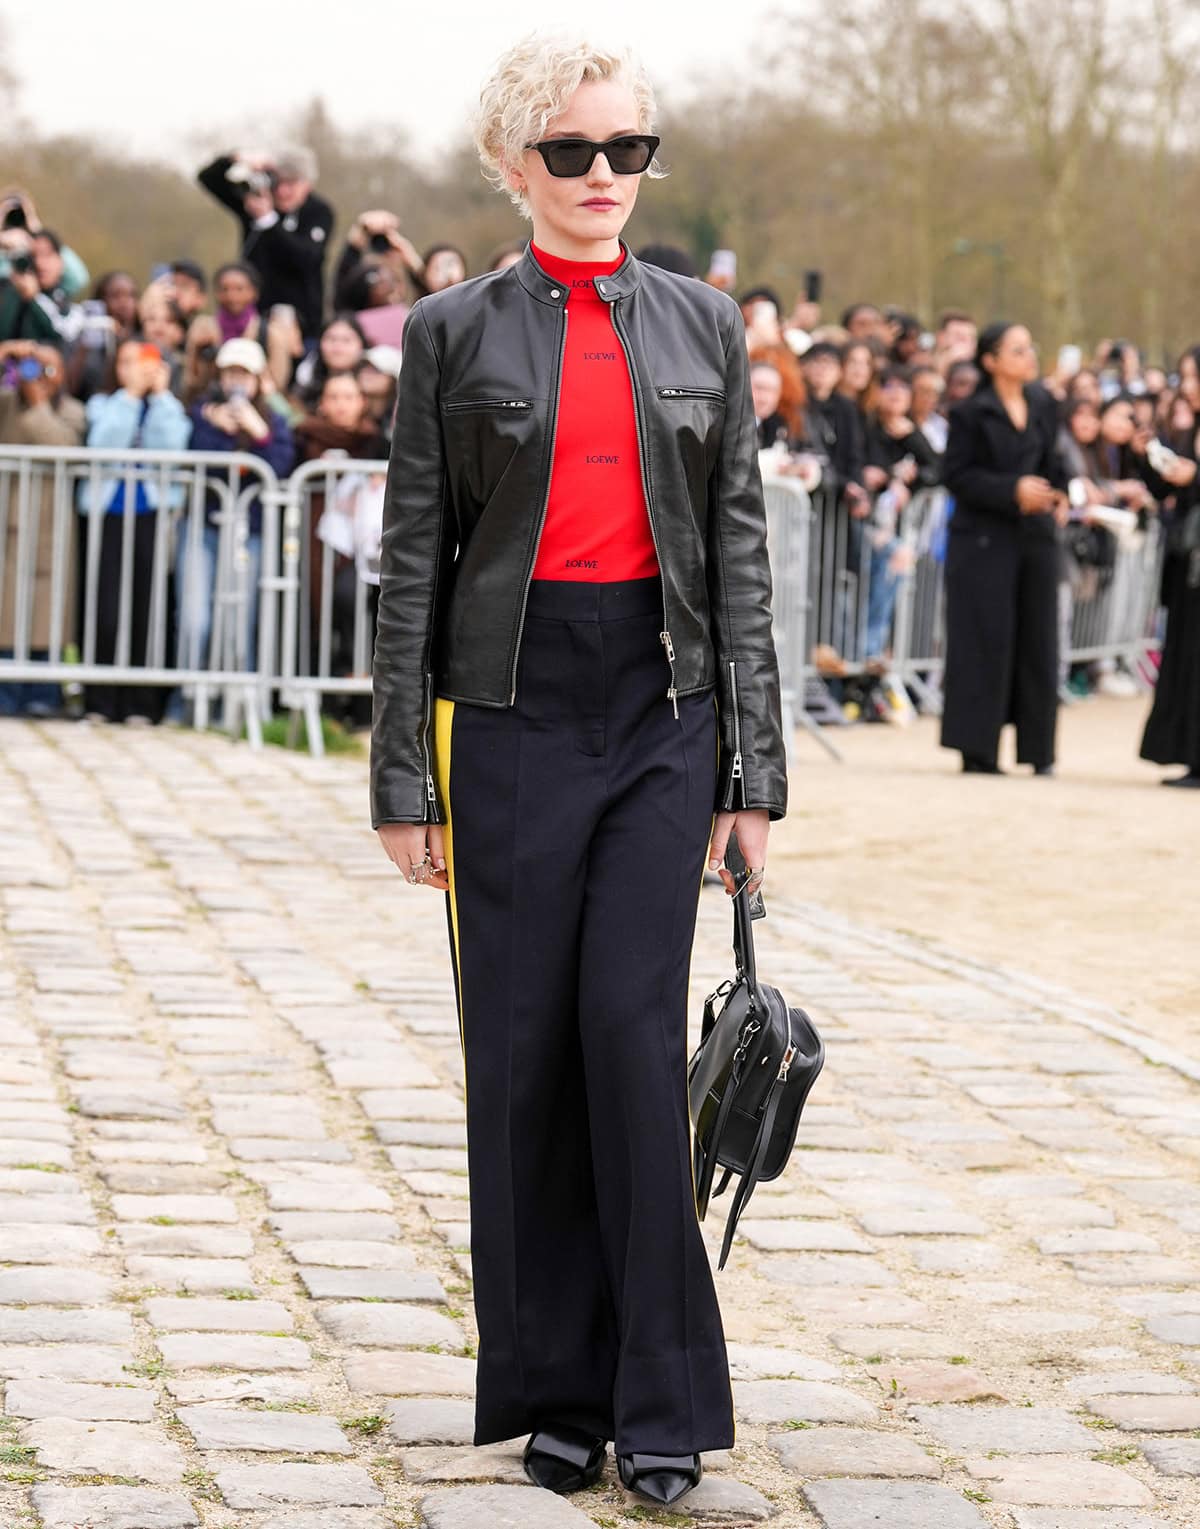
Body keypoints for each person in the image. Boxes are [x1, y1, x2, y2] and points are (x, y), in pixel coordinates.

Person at [370, 32, 785, 1509]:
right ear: (515, 163)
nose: (604, 174)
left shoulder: (705, 326)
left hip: (663, 714)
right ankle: (555, 1388)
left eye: (628, 149)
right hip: (509, 712)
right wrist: (401, 779)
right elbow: (412, 563)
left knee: (624, 1034)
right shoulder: (449, 333)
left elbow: (739, 555)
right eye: (572, 150)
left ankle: (661, 1398)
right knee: (524, 1051)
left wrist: (752, 771)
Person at [941, 322, 1069, 774]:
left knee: (1039, 640)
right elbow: (956, 475)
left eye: (1029, 347)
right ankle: (977, 749)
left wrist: (1061, 492)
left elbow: (1053, 462)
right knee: (983, 639)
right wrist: (1011, 489)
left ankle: (1039, 751)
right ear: (991, 360)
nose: (1028, 356)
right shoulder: (970, 413)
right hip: (982, 540)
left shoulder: (1043, 403)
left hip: (1035, 536)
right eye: (1017, 350)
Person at [79, 339, 192, 723]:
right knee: (105, 608)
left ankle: (141, 704)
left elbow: (172, 448)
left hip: (152, 513)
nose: (136, 369)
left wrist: (159, 397)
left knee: (149, 606)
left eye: (144, 362)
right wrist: (129, 397)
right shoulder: (102, 404)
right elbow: (103, 444)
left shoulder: (169, 408)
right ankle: (99, 700)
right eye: (127, 362)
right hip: (108, 513)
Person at [179, 338, 293, 686]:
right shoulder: (202, 412)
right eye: (230, 373)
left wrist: (259, 435)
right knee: (194, 618)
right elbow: (199, 460)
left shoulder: (274, 420)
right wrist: (213, 425)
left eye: (244, 374)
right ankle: (188, 697)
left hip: (250, 531)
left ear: (259, 379)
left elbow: (280, 467)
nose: (236, 381)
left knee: (241, 620)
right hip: (203, 526)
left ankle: (239, 700)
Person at [0, 341, 85, 716]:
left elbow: (64, 445)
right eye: (33, 367)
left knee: (46, 612)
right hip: (7, 523)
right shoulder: (6, 404)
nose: (40, 376)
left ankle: (43, 694)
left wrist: (37, 404)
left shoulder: (72, 411)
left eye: (50, 368)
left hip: (50, 524)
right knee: (5, 610)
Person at [196, 146, 334, 340]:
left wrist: (269, 221)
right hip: (252, 319)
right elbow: (208, 178)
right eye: (278, 182)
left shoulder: (319, 212)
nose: (283, 191)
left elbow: (308, 258)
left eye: (291, 183)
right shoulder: (254, 202)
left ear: (307, 184)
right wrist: (239, 158)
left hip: (302, 322)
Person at [1139, 411, 1200, 786]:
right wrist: (1146, 458)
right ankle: (1192, 756)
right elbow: (1162, 491)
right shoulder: (1187, 433)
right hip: (1187, 564)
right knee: (1189, 658)